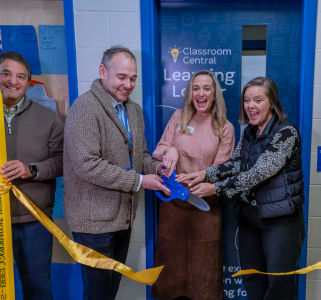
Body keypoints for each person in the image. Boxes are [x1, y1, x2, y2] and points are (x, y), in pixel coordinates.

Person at [178, 77, 304, 300]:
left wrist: (215, 188)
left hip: (280, 220)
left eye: (258, 100)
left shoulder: (287, 133)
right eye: (247, 100)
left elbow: (257, 173)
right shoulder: (250, 132)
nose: (251, 106)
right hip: (250, 218)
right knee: (252, 280)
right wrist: (204, 173)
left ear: (272, 103)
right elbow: (236, 163)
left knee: (279, 285)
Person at [63, 46, 170, 300]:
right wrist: (142, 180)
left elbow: (140, 156)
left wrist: (157, 168)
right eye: (122, 77)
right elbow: (87, 165)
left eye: (132, 78)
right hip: (92, 223)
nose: (128, 84)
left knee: (110, 291)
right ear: (103, 71)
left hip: (122, 219)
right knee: (98, 293)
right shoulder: (85, 108)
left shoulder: (132, 110)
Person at [0, 51, 64, 300]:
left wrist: (31, 170)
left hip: (33, 220)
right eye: (6, 74)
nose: (14, 81)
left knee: (38, 289)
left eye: (21, 76)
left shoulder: (48, 119)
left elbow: (61, 161)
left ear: (28, 82)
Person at [150, 70, 235, 300]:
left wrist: (199, 175)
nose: (201, 93)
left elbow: (222, 170)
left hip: (204, 204)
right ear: (189, 92)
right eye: (196, 88)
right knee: (171, 268)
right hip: (173, 203)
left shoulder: (225, 127)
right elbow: (157, 151)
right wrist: (171, 150)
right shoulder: (179, 117)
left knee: (204, 270)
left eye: (206, 88)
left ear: (215, 93)